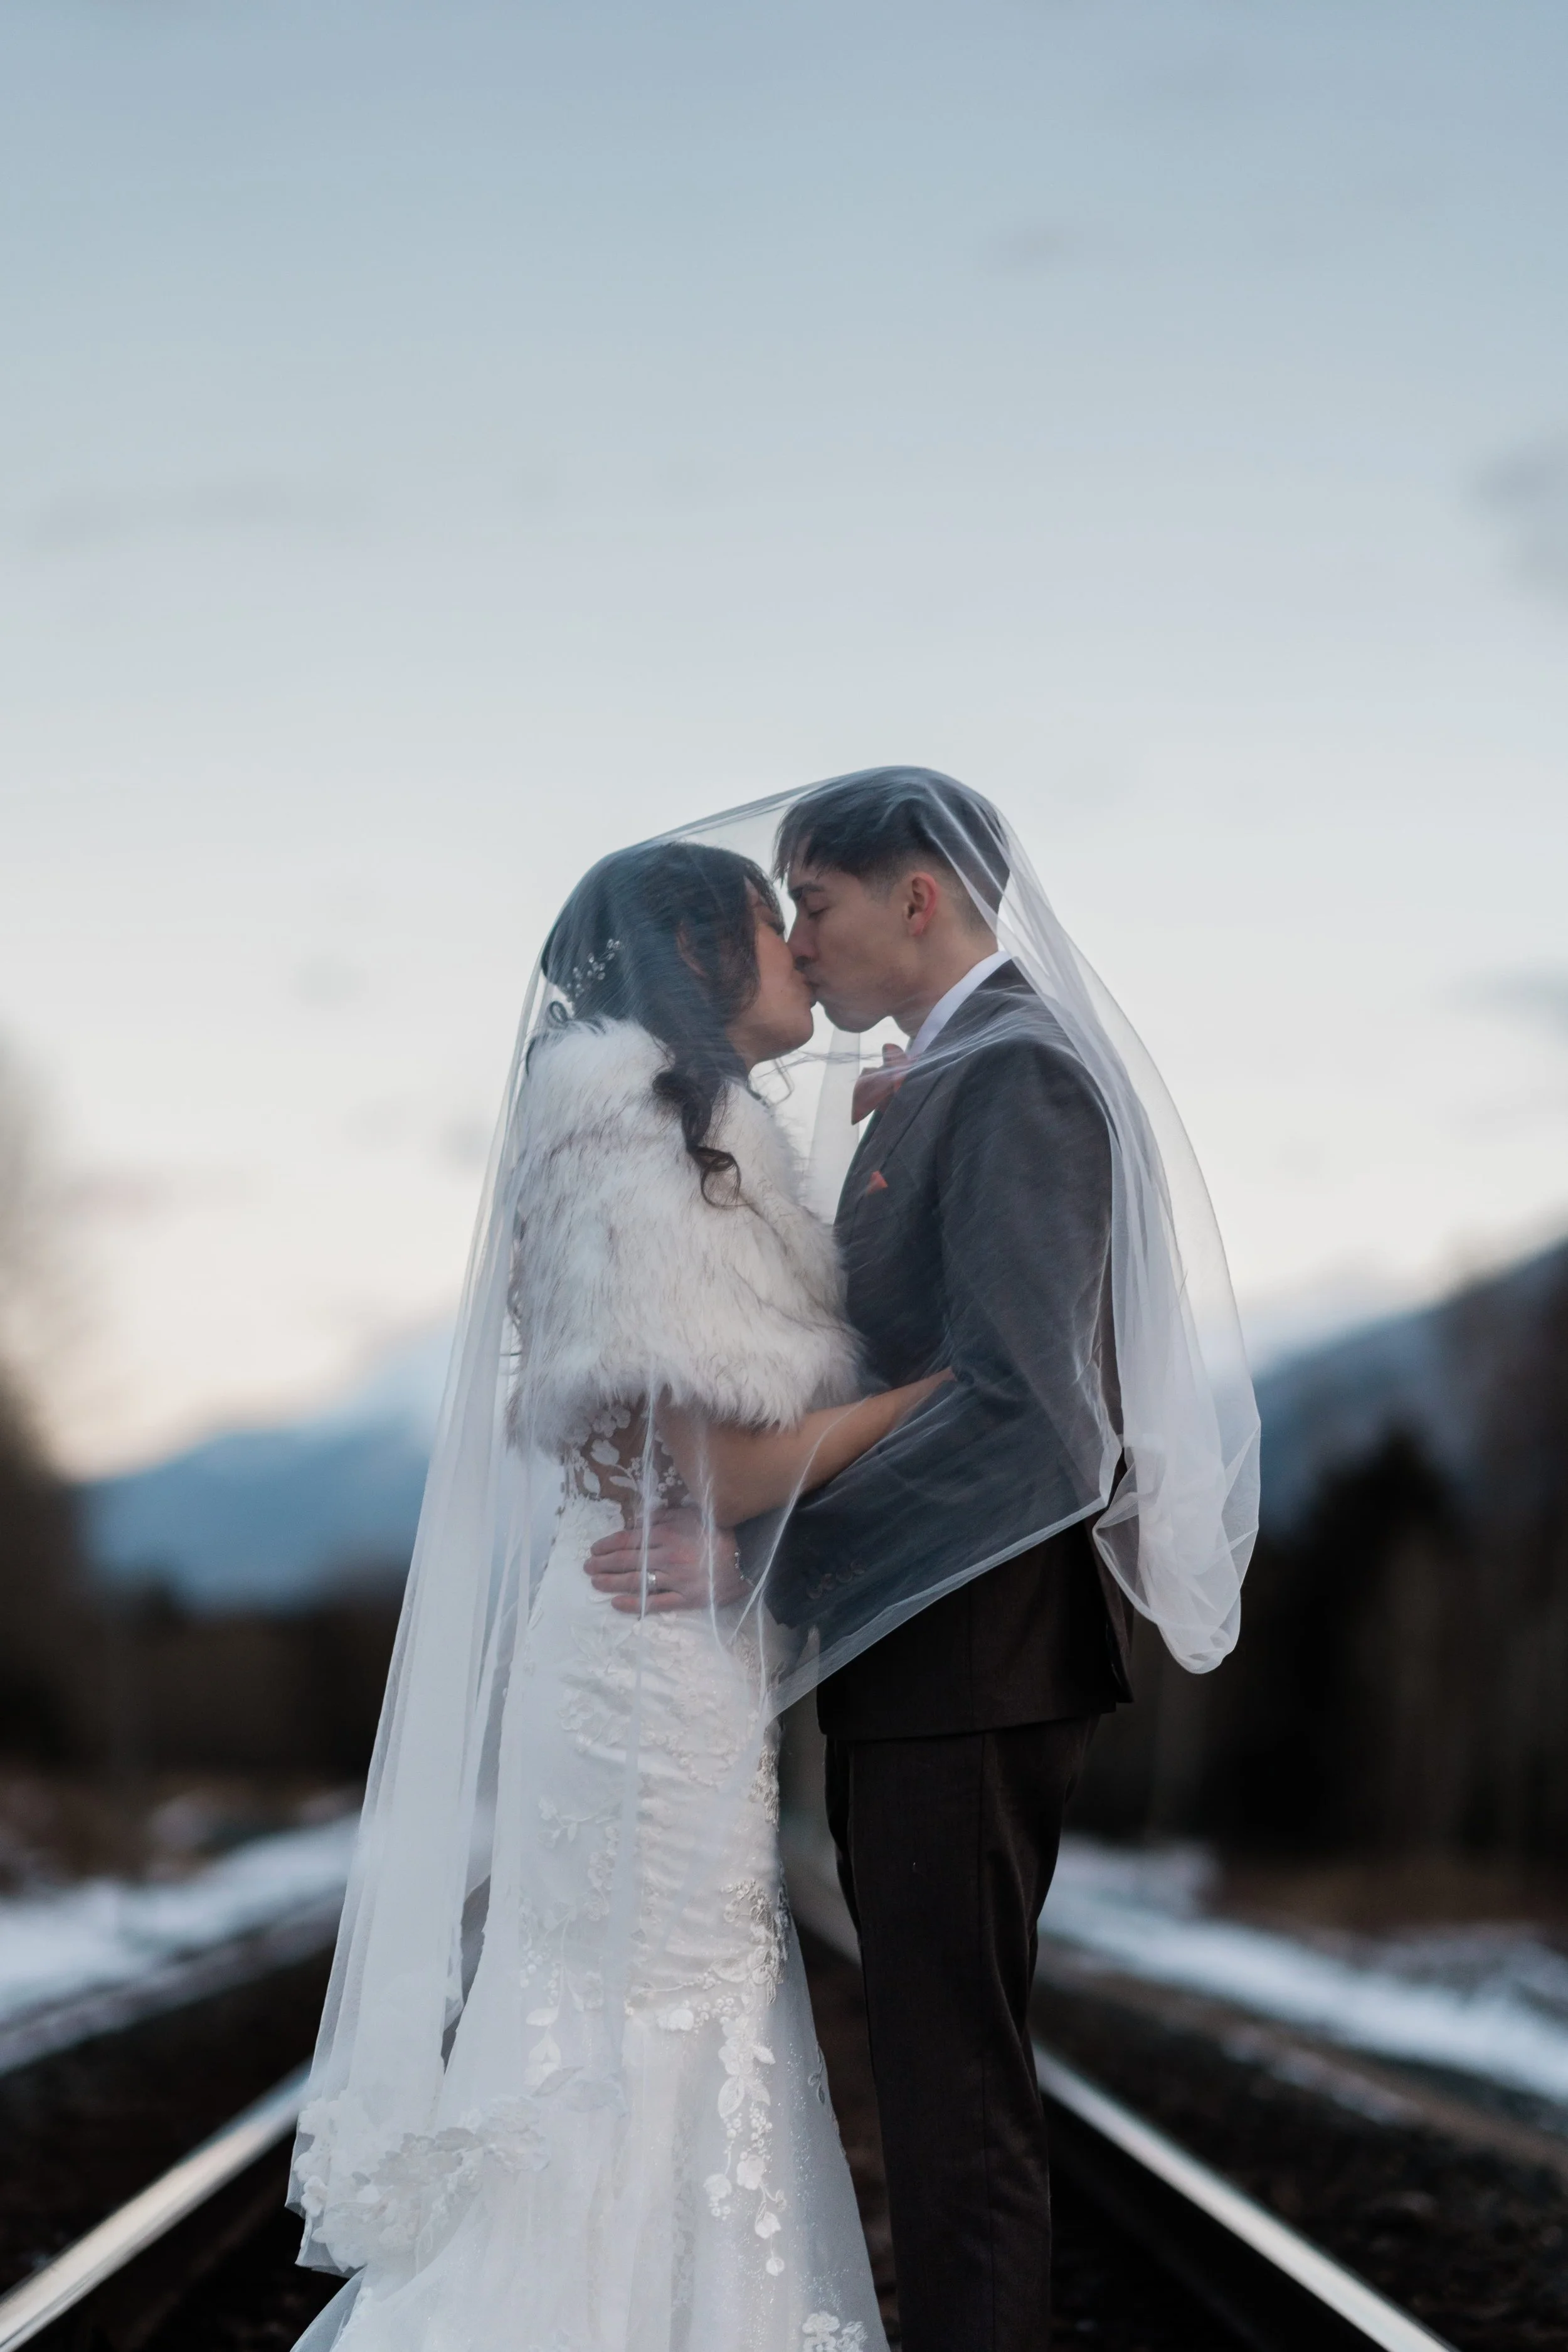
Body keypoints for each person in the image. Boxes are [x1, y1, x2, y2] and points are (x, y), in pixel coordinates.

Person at [586, 770, 1257, 2352]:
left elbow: (1031, 1426)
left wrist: (758, 1556)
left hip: (976, 1647)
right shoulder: (953, 1080)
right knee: (939, 2076)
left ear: (916, 895)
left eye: (810, 900)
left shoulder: (1019, 1080)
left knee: (953, 2099)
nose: (796, 942)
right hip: (938, 1648)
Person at [289, 842, 927, 2352]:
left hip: (672, 1642)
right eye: (769, 929)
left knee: (675, 2025)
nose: (798, 953)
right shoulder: (617, 1138)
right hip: (643, 1652)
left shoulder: (682, 1141)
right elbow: (720, 1450)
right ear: (700, 957)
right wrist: (934, 1394)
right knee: (640, 2031)